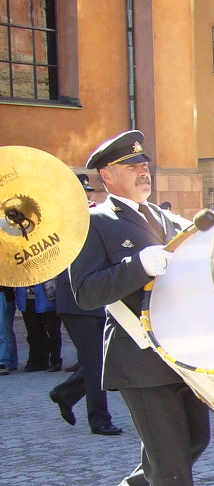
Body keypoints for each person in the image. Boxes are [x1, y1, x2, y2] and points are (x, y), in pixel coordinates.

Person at [69, 130, 214, 486]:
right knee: (171, 456)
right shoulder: (96, 222)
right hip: (139, 355)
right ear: (106, 174)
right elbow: (85, 292)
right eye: (132, 166)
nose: (144, 171)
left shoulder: (163, 217)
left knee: (195, 440)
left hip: (181, 351)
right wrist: (137, 266)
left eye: (145, 165)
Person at [49, 175, 121, 435]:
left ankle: (65, 394)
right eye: (82, 194)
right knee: (95, 363)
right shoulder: (62, 223)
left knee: (103, 358)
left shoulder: (96, 218)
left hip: (101, 299)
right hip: (75, 300)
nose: (88, 197)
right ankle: (99, 419)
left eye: (88, 193)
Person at [15, 280, 61, 371]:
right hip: (26, 296)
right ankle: (36, 360)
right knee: (33, 331)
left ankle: (55, 360)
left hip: (48, 295)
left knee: (53, 331)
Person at [0, 284, 16, 375]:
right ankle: (10, 361)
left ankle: (4, 362)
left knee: (3, 330)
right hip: (5, 293)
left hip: (3, 293)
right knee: (6, 329)